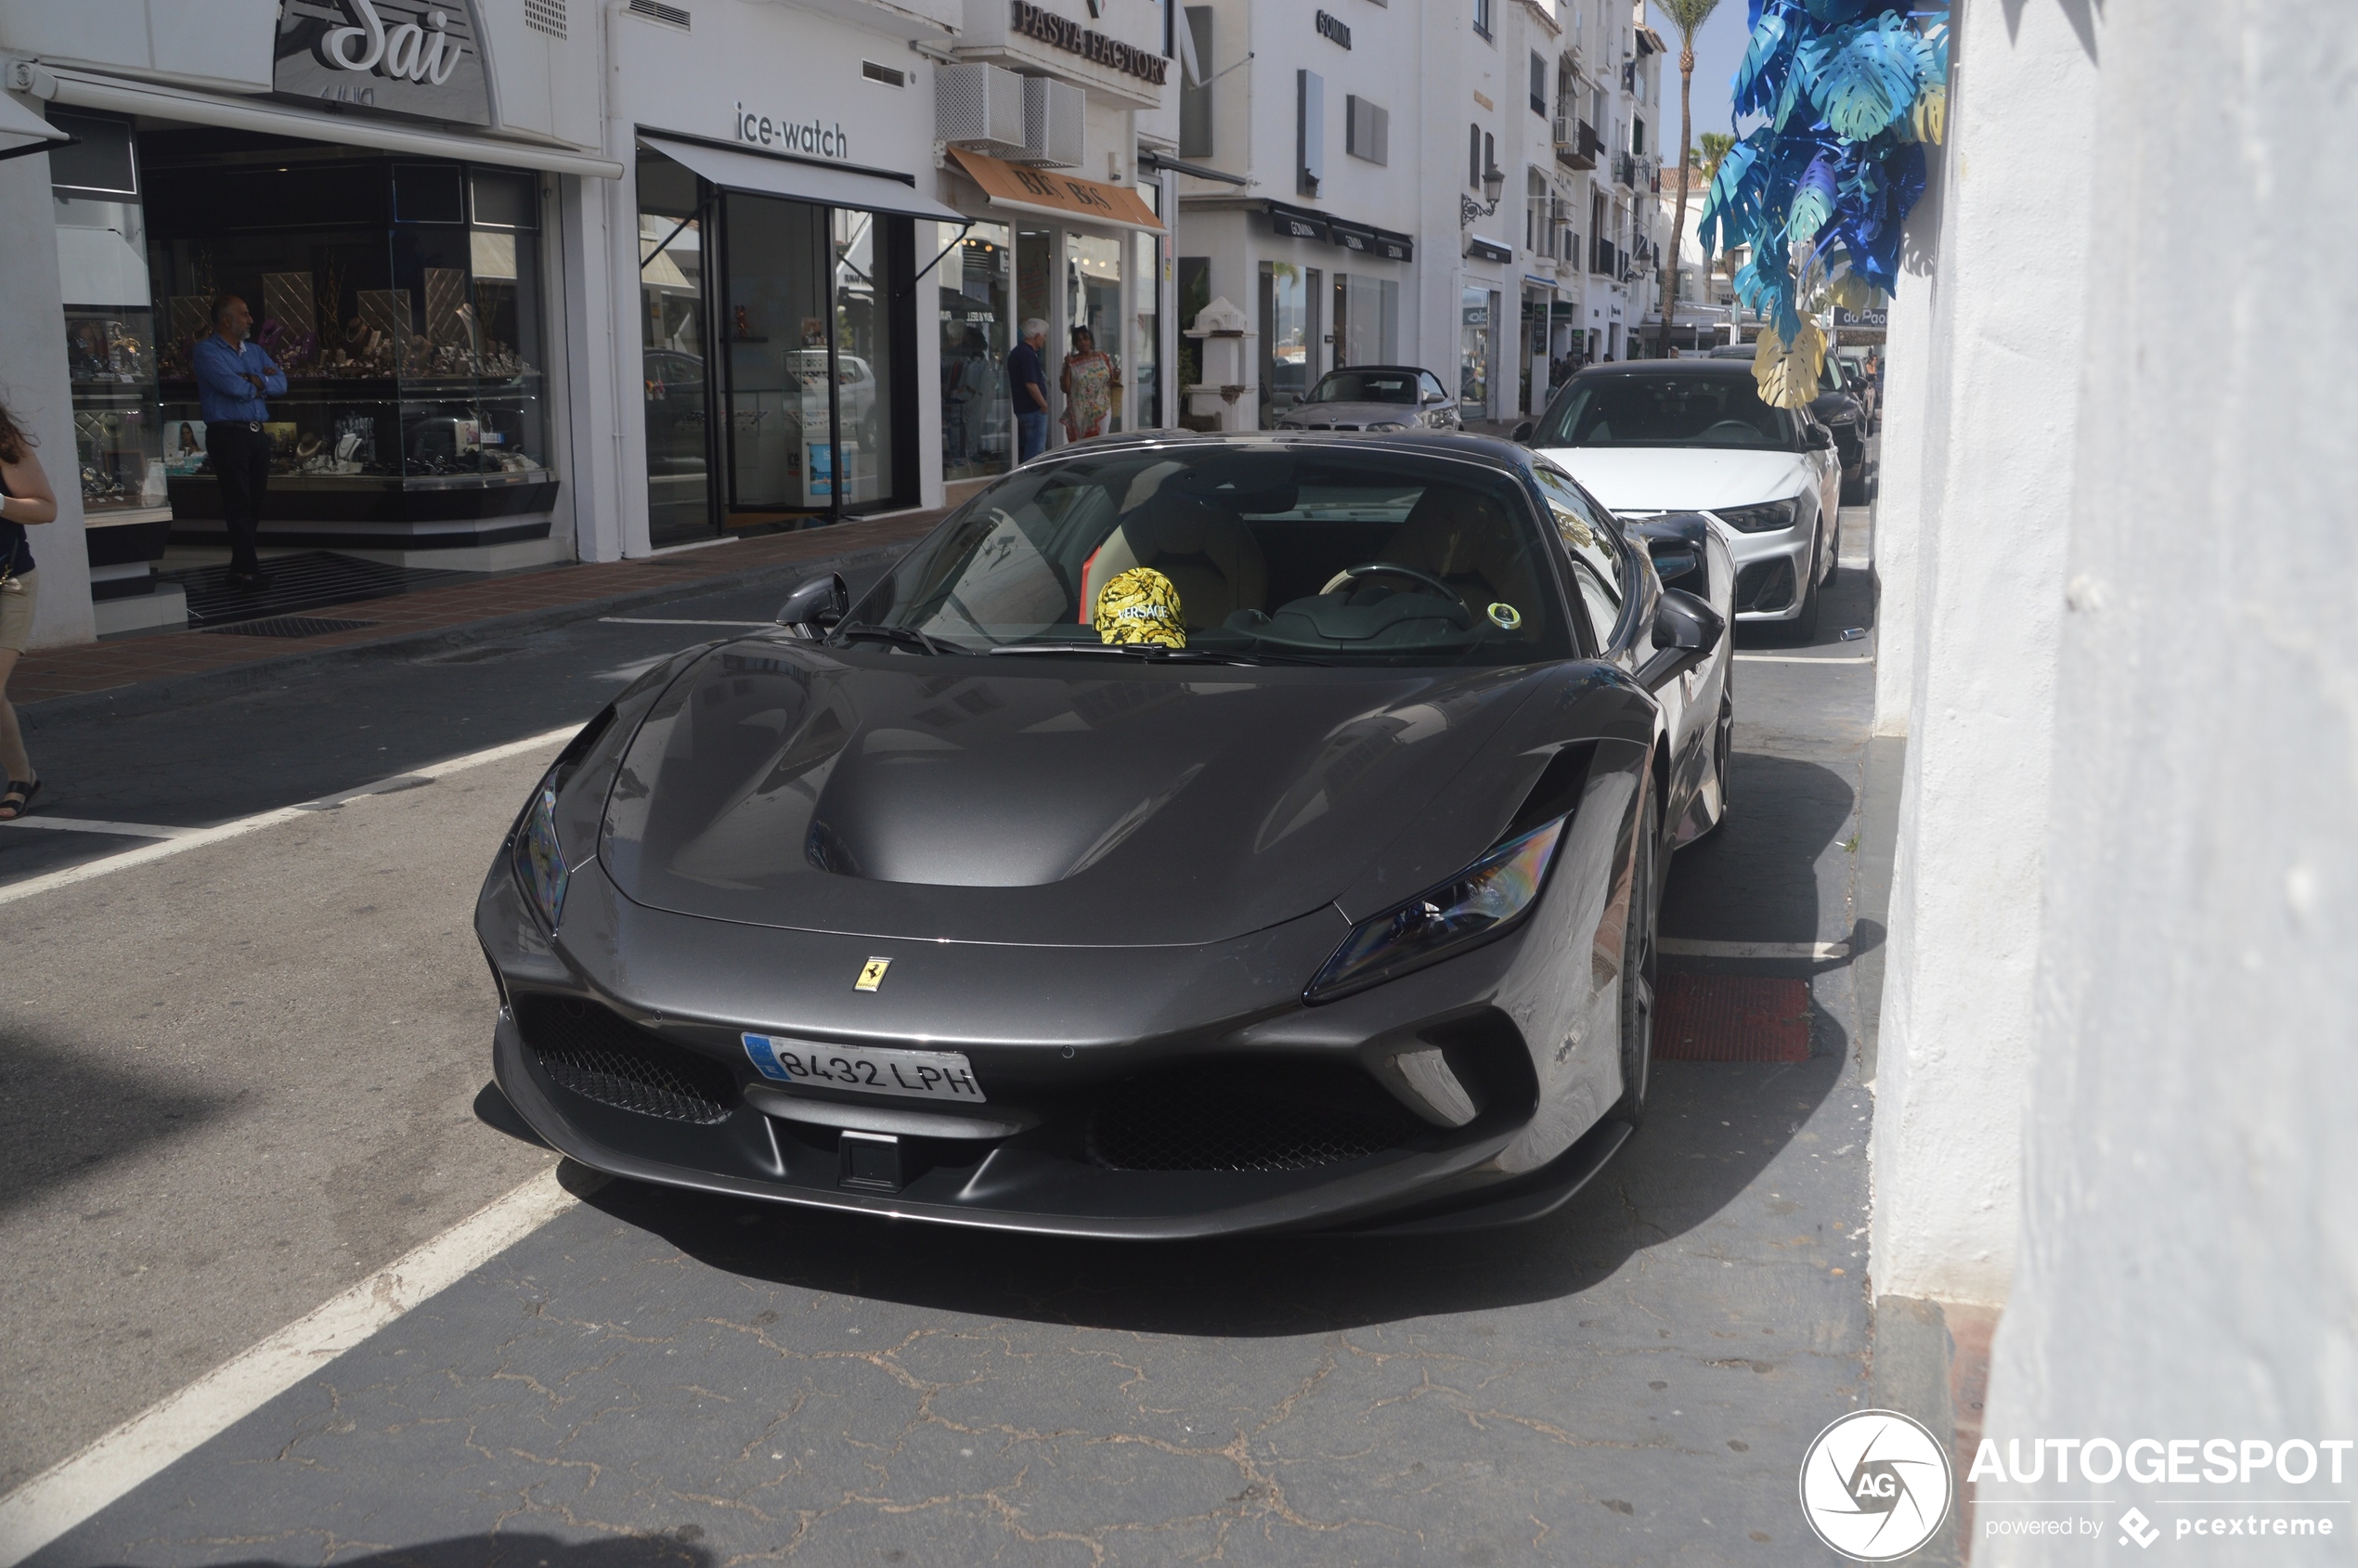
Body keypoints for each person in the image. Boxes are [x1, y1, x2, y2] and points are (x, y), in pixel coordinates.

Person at [191, 294, 287, 591]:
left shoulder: (256, 351)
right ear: (226, 320)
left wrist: (253, 379)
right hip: (228, 433)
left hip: (257, 434)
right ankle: (249, 569)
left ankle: (239, 567)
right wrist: (261, 382)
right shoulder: (206, 351)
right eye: (244, 314)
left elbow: (281, 384)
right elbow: (231, 386)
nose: (251, 319)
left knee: (254, 501)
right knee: (239, 501)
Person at [0, 398, 58, 822]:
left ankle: (21, 776)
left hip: (9, 584)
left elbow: (45, 508)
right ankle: (23, 775)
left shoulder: (5, 442)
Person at [1059, 325, 1121, 445]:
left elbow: (1112, 381)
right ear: (1075, 344)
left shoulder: (1102, 357)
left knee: (1101, 442)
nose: (1082, 342)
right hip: (1081, 412)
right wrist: (1067, 366)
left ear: (1091, 340)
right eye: (1079, 340)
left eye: (1085, 338)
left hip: (1102, 408)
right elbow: (1065, 388)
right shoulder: (1071, 363)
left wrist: (1117, 375)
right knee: (1083, 445)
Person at [1008, 318, 1050, 461]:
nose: (1044, 340)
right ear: (1037, 336)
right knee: (1036, 452)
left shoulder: (1016, 352)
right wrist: (1043, 405)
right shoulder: (1027, 354)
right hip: (1033, 409)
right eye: (1044, 336)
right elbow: (1031, 384)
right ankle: (1033, 478)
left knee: (1030, 445)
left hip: (1023, 408)